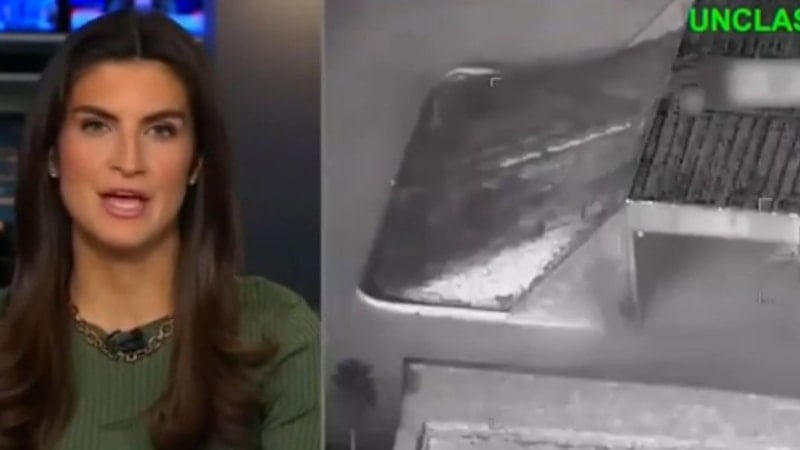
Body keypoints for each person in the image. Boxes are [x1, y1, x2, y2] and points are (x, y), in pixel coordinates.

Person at [0, 10, 319, 450]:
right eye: (97, 126)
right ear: (52, 154)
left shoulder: (279, 335)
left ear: (196, 162)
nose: (129, 161)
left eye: (161, 130)